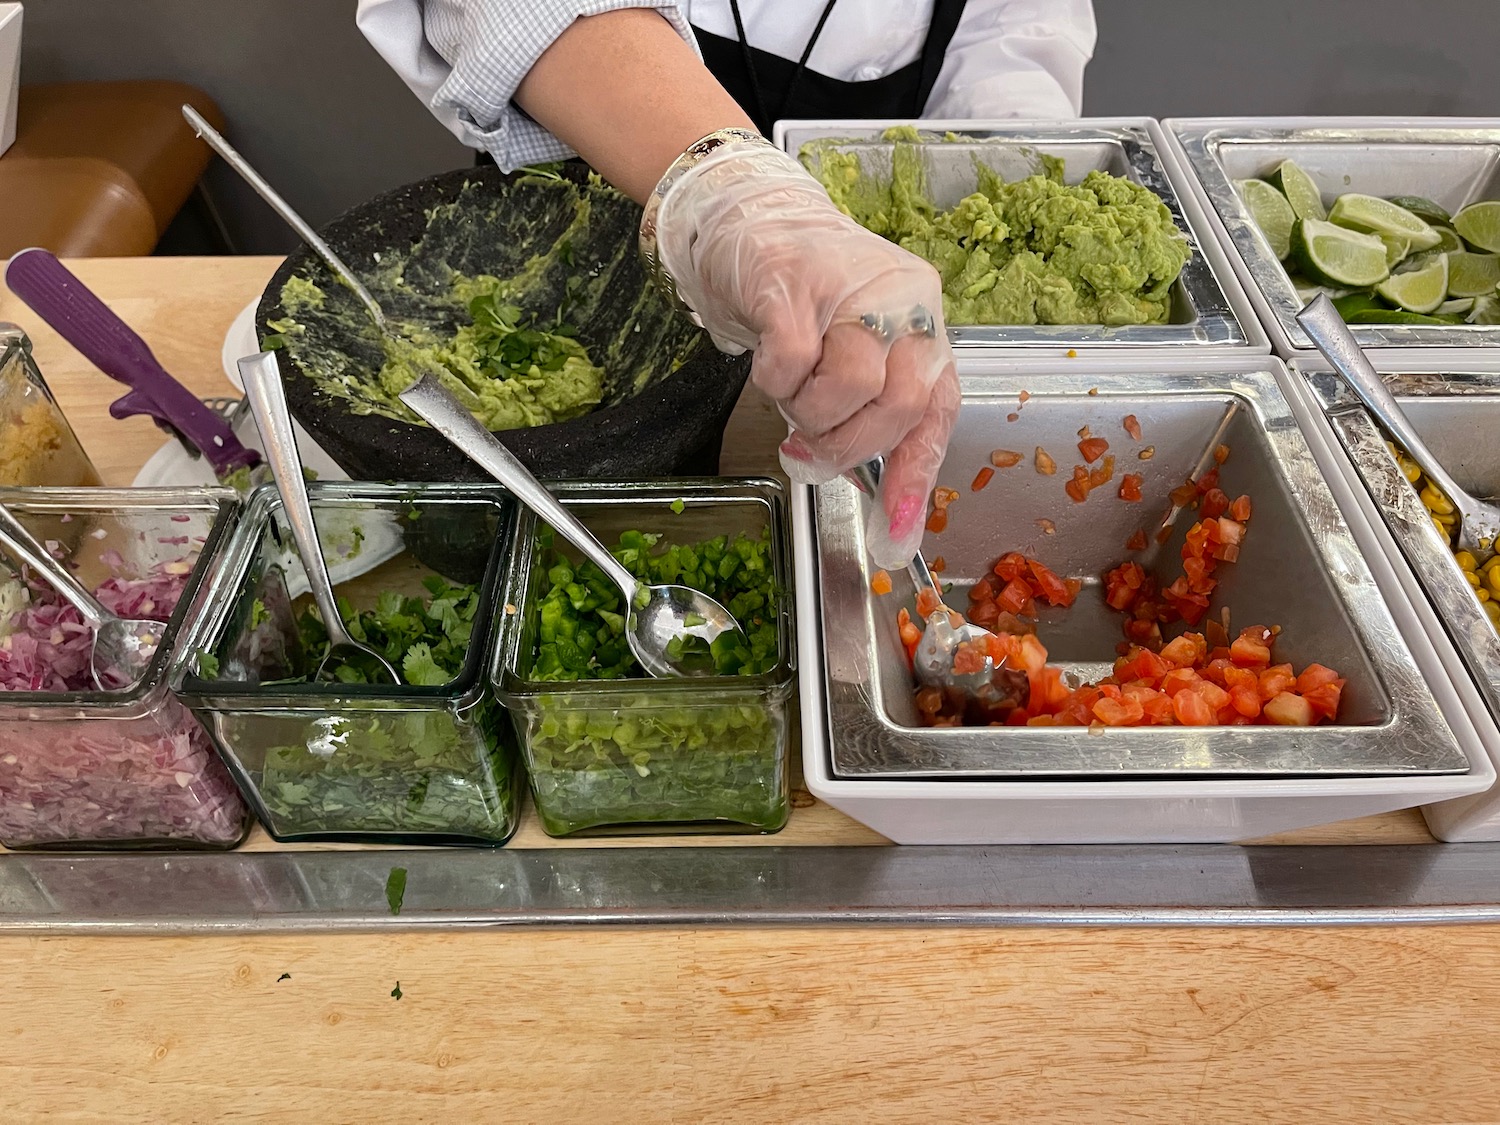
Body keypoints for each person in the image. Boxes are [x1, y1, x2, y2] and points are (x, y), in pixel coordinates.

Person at [356, 1, 1097, 565]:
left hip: (860, 311)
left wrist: (996, 180)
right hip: (576, 262)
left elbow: (1013, 31)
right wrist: (732, 191)